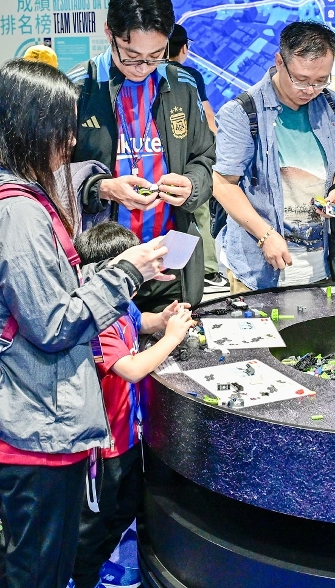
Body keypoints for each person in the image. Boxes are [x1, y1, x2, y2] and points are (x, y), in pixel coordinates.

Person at [0, 58, 171, 588]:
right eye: (63, 125)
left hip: (31, 411)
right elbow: (54, 325)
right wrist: (125, 273)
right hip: (37, 419)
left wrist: (113, 253)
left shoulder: (3, 196)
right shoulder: (14, 213)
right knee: (39, 568)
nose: (70, 139)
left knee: (35, 560)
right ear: (33, 125)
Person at [72, 0, 215, 310]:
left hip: (170, 258)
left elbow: (204, 157)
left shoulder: (181, 84)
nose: (143, 67)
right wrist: (102, 188)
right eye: (132, 56)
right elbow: (49, 177)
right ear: (109, 34)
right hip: (104, 266)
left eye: (155, 56)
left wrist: (191, 185)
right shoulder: (78, 88)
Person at [70, 221, 194, 588]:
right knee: (94, 520)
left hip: (127, 435)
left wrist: (164, 320)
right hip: (102, 446)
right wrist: (172, 338)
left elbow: (142, 323)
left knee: (126, 507)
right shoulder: (98, 318)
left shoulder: (121, 302)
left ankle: (94, 566)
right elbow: (132, 368)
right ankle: (83, 577)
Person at [213, 21, 335, 292]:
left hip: (320, 265)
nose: (310, 90)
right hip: (259, 270)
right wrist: (265, 235)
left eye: (321, 80)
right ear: (280, 62)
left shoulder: (330, 104)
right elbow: (223, 184)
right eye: (301, 79)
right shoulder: (242, 112)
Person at [167, 25, 227, 294]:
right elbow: (207, 117)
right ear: (183, 48)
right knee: (200, 212)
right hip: (190, 163)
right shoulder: (189, 76)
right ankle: (209, 270)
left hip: (162, 162)